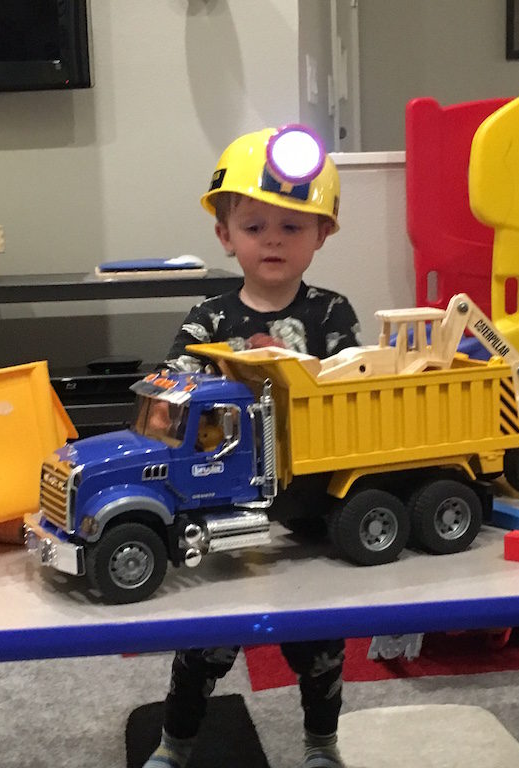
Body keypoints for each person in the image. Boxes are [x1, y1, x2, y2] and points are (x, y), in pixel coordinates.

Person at [144, 125, 361, 768]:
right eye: (255, 225)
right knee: (205, 640)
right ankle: (175, 742)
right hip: (223, 493)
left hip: (309, 491)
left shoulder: (332, 313)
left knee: (320, 640)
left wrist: (297, 364)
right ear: (225, 234)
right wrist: (235, 361)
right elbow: (170, 387)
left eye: (293, 227)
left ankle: (322, 744)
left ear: (322, 234)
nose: (272, 239)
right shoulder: (209, 317)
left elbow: (354, 381)